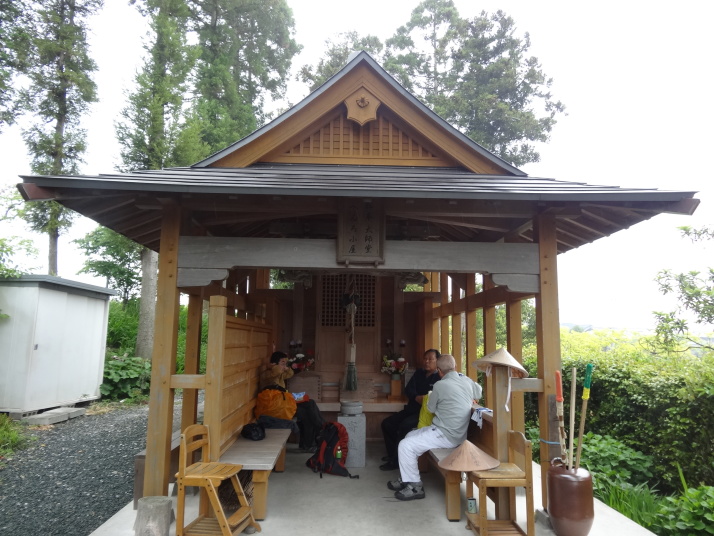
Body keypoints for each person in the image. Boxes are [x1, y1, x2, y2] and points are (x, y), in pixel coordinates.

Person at [387, 354, 482, 501]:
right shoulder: (466, 380)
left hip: (446, 435)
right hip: (455, 433)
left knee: (405, 445)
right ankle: (407, 478)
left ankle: (415, 487)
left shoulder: (439, 385)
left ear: (439, 371)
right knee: (410, 436)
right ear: (455, 367)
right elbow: (479, 392)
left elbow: (430, 408)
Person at [379, 348, 441, 471]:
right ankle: (393, 455)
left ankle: (396, 461)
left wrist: (424, 398)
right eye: (425, 359)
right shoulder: (419, 373)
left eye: (430, 359)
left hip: (425, 414)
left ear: (437, 361)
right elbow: (408, 389)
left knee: (404, 426)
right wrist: (417, 397)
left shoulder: (439, 378)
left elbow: (434, 397)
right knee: (387, 424)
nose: (427, 361)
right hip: (411, 408)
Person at [259, 350, 324, 451]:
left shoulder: (279, 373)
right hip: (275, 409)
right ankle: (316, 435)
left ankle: (320, 429)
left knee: (310, 403)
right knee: (306, 414)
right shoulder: (268, 374)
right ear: (274, 364)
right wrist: (276, 366)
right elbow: (275, 373)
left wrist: (285, 367)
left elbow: (290, 373)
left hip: (284, 403)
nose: (284, 365)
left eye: (285, 363)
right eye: (282, 363)